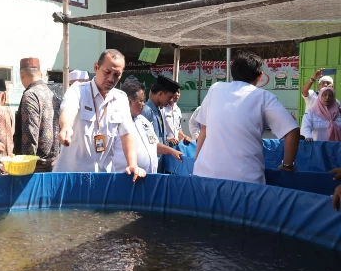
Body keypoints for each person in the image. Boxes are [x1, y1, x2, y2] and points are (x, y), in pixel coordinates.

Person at [194, 51, 300, 184]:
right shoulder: (264, 97)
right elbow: (292, 131)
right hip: (246, 181)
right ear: (260, 76)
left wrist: (197, 160)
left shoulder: (215, 88)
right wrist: (287, 166)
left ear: (232, 72)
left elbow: (204, 127)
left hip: (205, 176)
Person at [53, 49, 145, 181]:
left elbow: (127, 134)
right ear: (96, 67)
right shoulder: (78, 91)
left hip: (103, 179)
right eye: (107, 72)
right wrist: (66, 127)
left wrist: (132, 165)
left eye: (116, 75)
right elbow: (69, 108)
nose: (111, 78)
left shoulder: (121, 99)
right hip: (70, 178)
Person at [113, 81, 183, 173]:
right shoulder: (115, 123)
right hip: (127, 176)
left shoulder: (143, 121)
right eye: (141, 101)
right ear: (130, 102)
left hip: (148, 178)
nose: (143, 104)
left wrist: (172, 151)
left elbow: (154, 144)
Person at [14, 58, 61, 172]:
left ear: (22, 74)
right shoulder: (52, 94)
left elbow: (30, 134)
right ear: (40, 74)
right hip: (54, 164)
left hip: (35, 169)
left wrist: (25, 168)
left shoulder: (30, 95)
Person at [141, 75, 181, 172]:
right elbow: (147, 141)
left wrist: (167, 139)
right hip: (149, 165)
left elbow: (157, 136)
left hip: (160, 162)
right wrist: (171, 151)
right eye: (169, 97)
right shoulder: (146, 111)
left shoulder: (159, 111)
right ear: (160, 94)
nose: (170, 101)